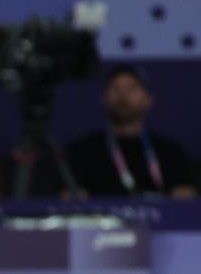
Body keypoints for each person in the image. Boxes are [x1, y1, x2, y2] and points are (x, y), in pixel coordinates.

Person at [64, 65, 197, 199]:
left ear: (148, 99)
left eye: (131, 89)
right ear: (104, 98)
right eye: (115, 89)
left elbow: (187, 193)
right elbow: (67, 195)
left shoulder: (170, 153)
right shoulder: (82, 152)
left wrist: (185, 197)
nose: (122, 96)